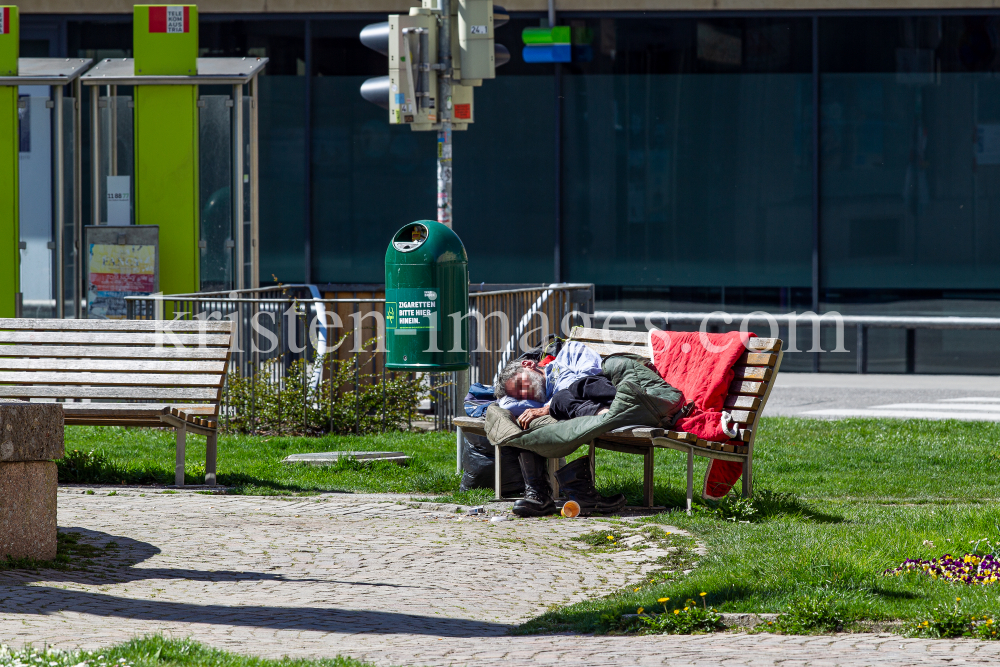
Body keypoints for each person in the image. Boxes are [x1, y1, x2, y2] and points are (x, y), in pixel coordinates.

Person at [493, 341, 627, 518]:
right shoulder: (536, 400)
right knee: (513, 419)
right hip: (568, 422)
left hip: (599, 405)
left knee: (560, 400)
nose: (524, 394)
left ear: (528, 364)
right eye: (519, 395)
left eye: (520, 385)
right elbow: (506, 404)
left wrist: (548, 407)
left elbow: (589, 379)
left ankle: (578, 494)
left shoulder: (569, 354)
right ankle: (540, 495)